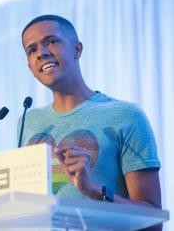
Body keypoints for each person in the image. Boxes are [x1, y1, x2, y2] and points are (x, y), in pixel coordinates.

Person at [19, 15, 162, 231]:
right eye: (32, 50)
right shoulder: (27, 121)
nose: (41, 53)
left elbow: (152, 221)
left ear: (77, 50)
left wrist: (92, 190)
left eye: (51, 41)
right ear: (30, 66)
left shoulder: (126, 115)